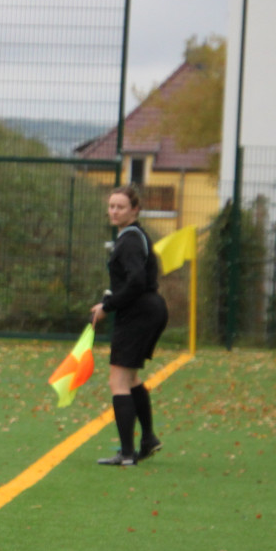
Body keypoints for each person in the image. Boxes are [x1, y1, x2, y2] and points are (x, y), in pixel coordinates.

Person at [89, 184, 169, 467]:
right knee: (131, 379)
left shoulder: (131, 239)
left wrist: (108, 307)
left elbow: (135, 282)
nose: (114, 211)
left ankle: (126, 454)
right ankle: (147, 440)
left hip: (140, 314)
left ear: (135, 210)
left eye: (120, 207)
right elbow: (129, 282)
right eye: (111, 206)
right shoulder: (131, 237)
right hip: (148, 310)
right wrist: (107, 301)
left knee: (118, 381)